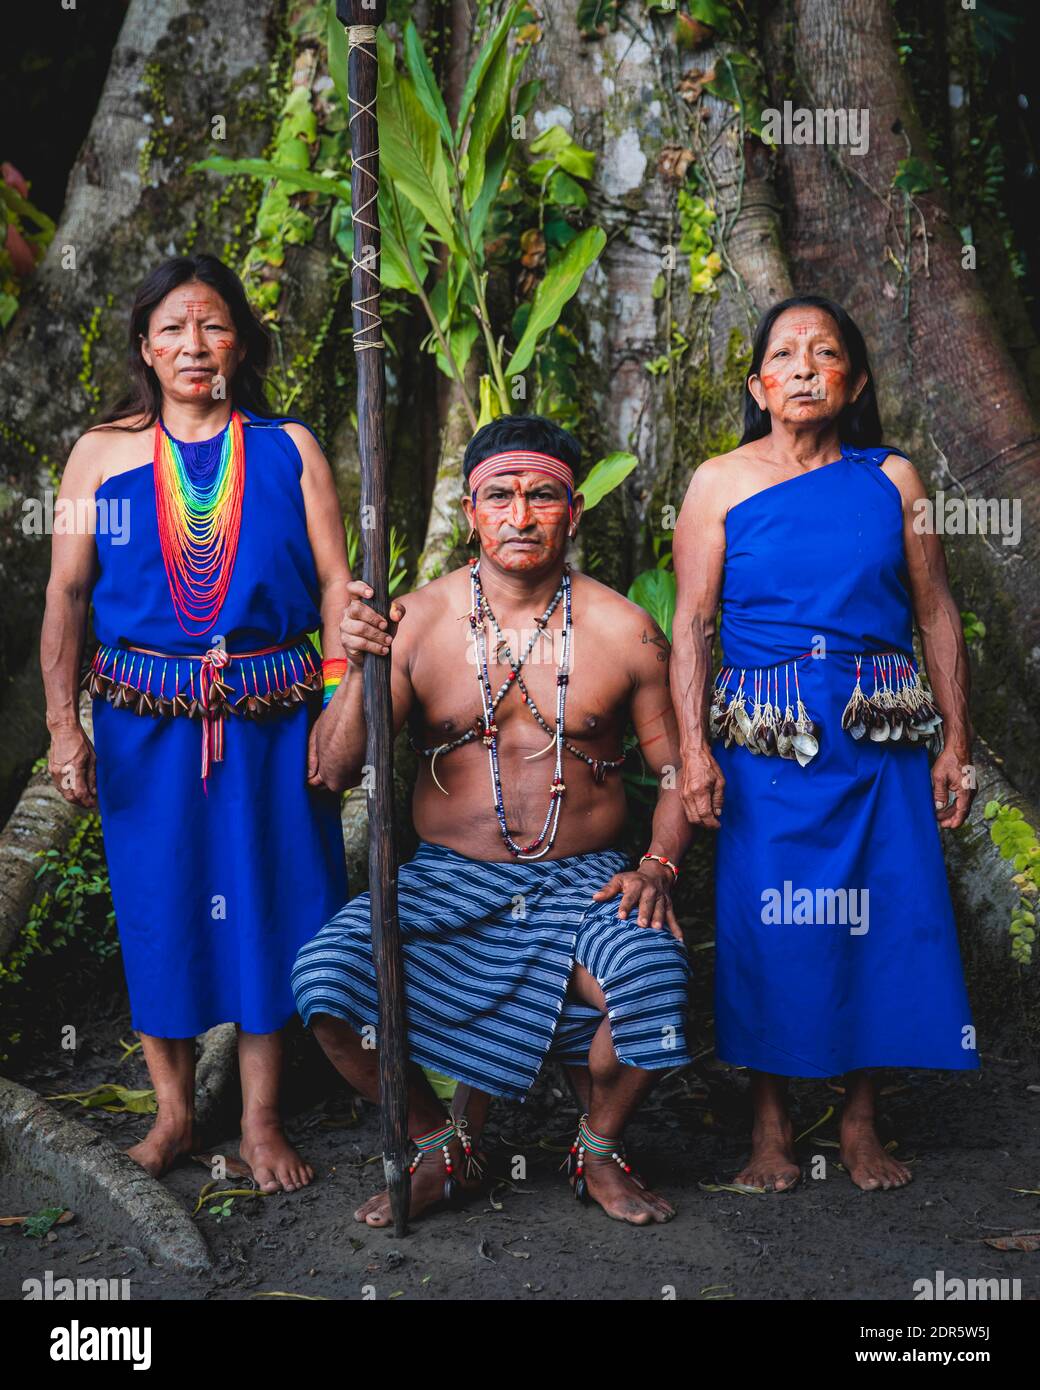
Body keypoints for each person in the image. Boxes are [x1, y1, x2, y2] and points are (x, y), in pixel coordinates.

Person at [291, 415, 693, 1226]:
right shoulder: (413, 625)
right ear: (471, 511)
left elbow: (682, 774)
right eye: (499, 496)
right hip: (444, 882)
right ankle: (446, 1146)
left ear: (573, 511)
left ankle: (599, 1146)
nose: (521, 514)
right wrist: (359, 664)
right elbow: (330, 770)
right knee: (325, 984)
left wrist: (657, 866)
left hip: (583, 885)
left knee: (654, 983)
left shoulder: (625, 631)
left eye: (542, 495)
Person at [41, 254, 350, 1192]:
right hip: (144, 728)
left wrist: (339, 717)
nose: (193, 344)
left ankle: (260, 1120)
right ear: (144, 346)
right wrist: (64, 726)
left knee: (267, 904)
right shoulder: (98, 453)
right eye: (172, 328)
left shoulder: (290, 447)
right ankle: (175, 1112)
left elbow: (338, 589)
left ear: (242, 343)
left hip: (270, 724)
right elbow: (64, 593)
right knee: (160, 903)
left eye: (213, 325)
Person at [670, 294, 978, 1193]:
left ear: (857, 381)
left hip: (880, 733)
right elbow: (689, 624)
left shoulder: (894, 480)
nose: (806, 367)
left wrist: (956, 741)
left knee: (883, 921)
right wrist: (692, 751)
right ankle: (768, 1128)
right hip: (770, 740)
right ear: (759, 383)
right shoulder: (718, 481)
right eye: (786, 355)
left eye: (827, 353)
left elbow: (936, 612)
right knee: (766, 926)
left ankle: (860, 1120)